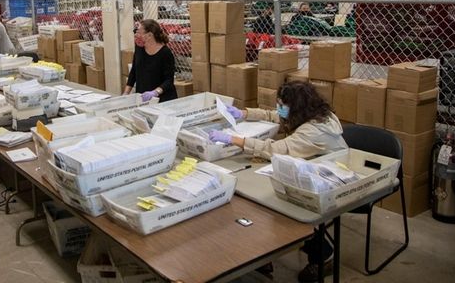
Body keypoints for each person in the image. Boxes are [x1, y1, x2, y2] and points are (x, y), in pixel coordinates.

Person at [208, 81, 347, 281]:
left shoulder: (313, 130)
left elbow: (276, 149)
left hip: (328, 182)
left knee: (284, 208)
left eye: (282, 105)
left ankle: (324, 257)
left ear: (297, 106)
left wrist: (234, 140)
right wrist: (244, 113)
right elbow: (273, 116)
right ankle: (265, 253)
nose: (278, 109)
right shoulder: (309, 114)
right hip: (309, 169)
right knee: (263, 200)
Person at [123, 19, 177, 102]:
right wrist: (126, 94)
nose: (136, 35)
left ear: (149, 35)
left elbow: (169, 80)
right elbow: (134, 71)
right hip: (143, 98)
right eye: (135, 32)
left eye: (139, 33)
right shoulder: (139, 48)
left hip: (163, 99)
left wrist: (155, 92)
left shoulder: (165, 53)